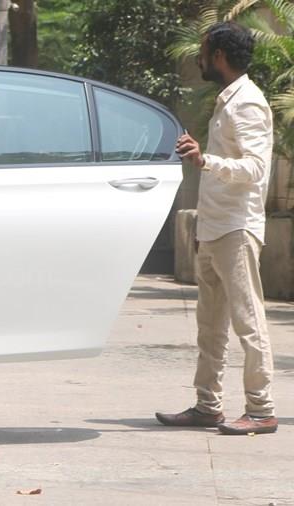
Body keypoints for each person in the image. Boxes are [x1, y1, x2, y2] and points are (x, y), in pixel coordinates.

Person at [156, 22, 276, 435]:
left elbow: (256, 168)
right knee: (210, 327)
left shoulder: (249, 103)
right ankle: (208, 406)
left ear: (219, 56)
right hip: (213, 227)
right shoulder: (228, 100)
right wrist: (202, 224)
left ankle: (261, 410)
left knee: (248, 322)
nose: (199, 59)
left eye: (204, 52)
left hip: (236, 229)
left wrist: (205, 160)